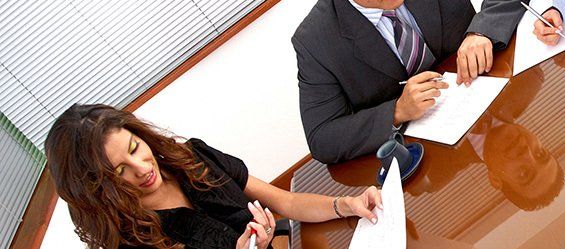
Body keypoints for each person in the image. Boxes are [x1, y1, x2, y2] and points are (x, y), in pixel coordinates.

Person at [294, 0, 531, 163]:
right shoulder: (315, 41)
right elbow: (322, 138)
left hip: (493, 104)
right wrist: (397, 111)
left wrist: (482, 31)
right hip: (430, 156)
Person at [45, 104, 383, 249]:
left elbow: (286, 201)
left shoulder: (191, 156)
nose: (142, 168)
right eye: (120, 171)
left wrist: (346, 204)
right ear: (99, 190)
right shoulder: (129, 241)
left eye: (135, 148)